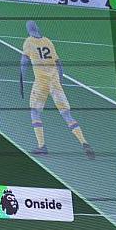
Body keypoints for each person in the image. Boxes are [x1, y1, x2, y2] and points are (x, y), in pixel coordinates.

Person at [20, 20, 94, 159]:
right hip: (54, 83)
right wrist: (60, 80)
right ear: (37, 28)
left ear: (28, 30)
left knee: (35, 113)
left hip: (41, 83)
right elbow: (59, 63)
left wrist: (21, 79)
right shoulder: (48, 41)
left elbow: (24, 62)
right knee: (67, 115)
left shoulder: (28, 42)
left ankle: (42, 146)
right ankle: (84, 142)